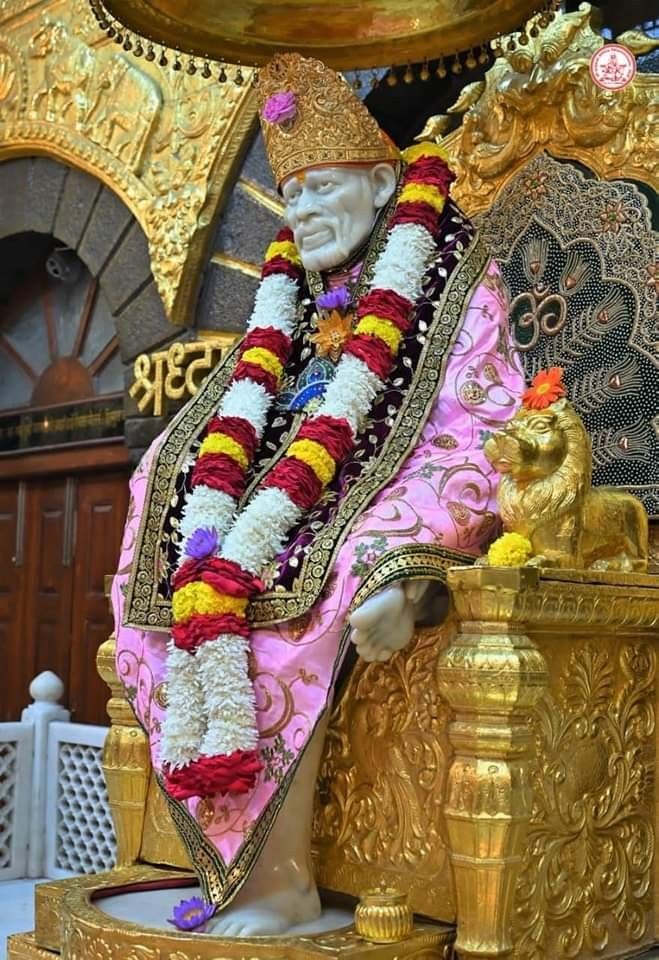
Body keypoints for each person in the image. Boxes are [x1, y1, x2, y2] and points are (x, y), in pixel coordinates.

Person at [112, 52, 523, 936]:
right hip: (276, 500)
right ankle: (219, 866)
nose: (300, 213)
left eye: (320, 189)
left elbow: (478, 421)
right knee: (173, 562)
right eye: (290, 195)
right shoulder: (286, 294)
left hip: (385, 491)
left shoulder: (449, 268)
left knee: (324, 588)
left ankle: (280, 886)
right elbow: (232, 406)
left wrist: (409, 575)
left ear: (382, 182)